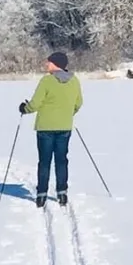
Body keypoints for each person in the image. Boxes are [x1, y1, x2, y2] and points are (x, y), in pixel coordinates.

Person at [20, 51, 83, 208]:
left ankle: (41, 195)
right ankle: (62, 193)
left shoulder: (47, 81)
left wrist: (24, 108)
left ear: (56, 64)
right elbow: (78, 103)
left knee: (45, 162)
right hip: (65, 127)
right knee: (62, 160)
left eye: (48, 62)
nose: (46, 64)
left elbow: (34, 104)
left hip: (45, 128)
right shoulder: (74, 81)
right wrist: (67, 114)